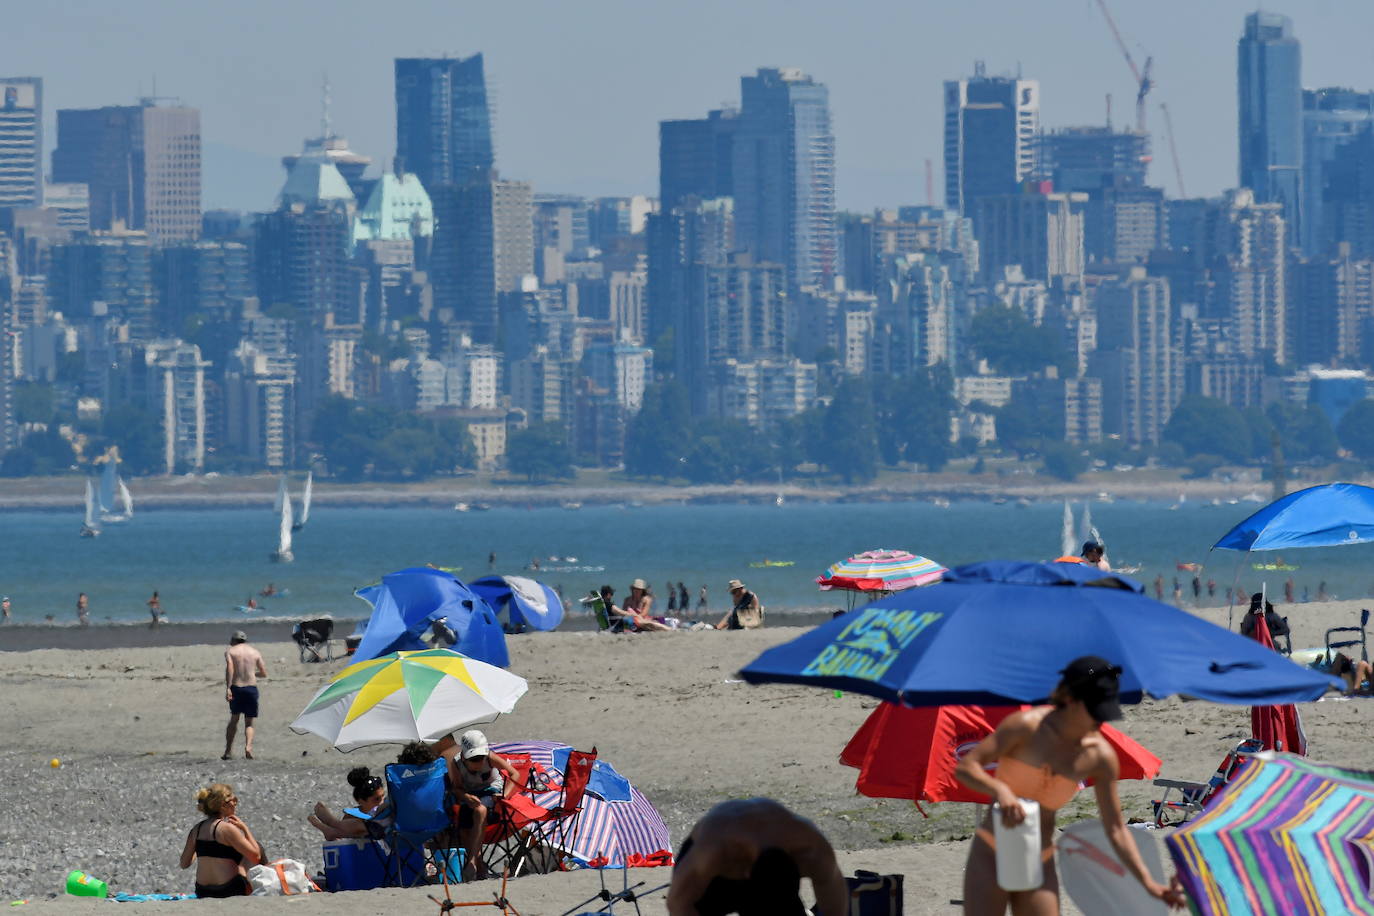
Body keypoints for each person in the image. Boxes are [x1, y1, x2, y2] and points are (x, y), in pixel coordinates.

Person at [955, 656, 1185, 914]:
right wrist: (1001, 790)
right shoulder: (1025, 727)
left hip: (1038, 858)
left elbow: (1116, 829)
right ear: (1070, 699)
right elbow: (966, 767)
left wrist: (1149, 884)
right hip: (991, 851)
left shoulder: (1099, 756)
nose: (1101, 720)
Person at [667, 798, 847, 916]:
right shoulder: (713, 851)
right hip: (716, 878)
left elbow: (834, 910)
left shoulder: (812, 850)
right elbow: (677, 904)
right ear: (744, 871)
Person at [451, 730, 520, 881]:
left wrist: (504, 795)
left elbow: (515, 774)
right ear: (464, 756)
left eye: (480, 758)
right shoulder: (456, 763)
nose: (478, 763)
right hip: (470, 794)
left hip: (491, 791)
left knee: (480, 810)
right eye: (473, 759)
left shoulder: (489, 758)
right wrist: (466, 797)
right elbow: (456, 788)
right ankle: (480, 865)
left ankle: (472, 862)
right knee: (464, 826)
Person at [179, 783, 264, 898]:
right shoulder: (226, 829)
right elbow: (256, 856)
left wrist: (198, 848)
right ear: (223, 805)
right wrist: (244, 828)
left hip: (202, 891)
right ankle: (266, 885)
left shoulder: (196, 830)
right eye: (233, 800)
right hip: (228, 889)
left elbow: (184, 864)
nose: (235, 803)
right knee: (257, 847)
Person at [309, 767, 388, 840]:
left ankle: (330, 825)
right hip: (367, 837)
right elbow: (342, 842)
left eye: (383, 796)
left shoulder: (384, 809)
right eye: (376, 799)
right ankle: (329, 827)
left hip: (375, 832)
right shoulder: (352, 816)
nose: (381, 801)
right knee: (363, 825)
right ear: (361, 801)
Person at [223, 631, 267, 760]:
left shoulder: (231, 651)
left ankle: (228, 751)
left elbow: (230, 668)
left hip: (237, 687)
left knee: (234, 719)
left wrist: (228, 687)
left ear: (233, 640)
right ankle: (248, 747)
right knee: (249, 722)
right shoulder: (255, 652)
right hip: (251, 688)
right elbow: (264, 673)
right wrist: (253, 674)